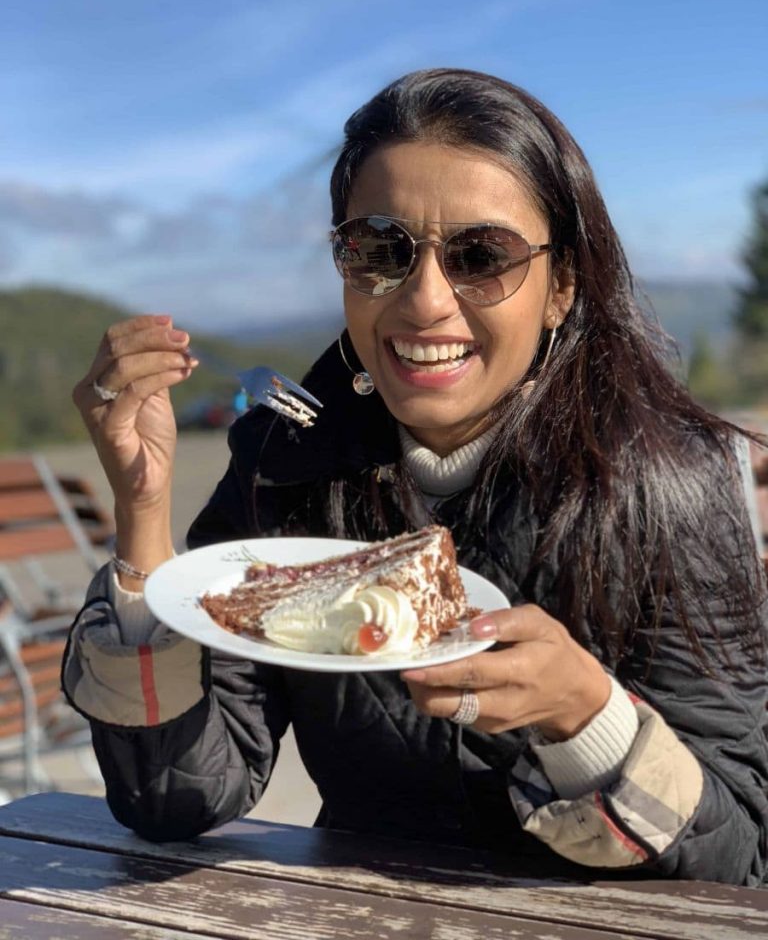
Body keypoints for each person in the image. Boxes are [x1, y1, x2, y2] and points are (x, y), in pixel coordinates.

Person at [66, 69, 768, 885]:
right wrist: (143, 517)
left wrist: (588, 715)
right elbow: (175, 800)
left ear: (561, 287)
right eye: (378, 249)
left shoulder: (671, 483)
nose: (425, 300)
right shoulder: (285, 466)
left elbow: (739, 857)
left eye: (482, 255)